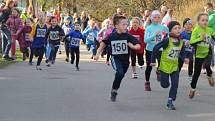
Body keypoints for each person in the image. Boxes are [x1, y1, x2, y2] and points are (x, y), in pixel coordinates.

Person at [95, 15, 141, 102]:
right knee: (119, 72)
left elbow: (138, 44)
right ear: (116, 26)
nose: (125, 26)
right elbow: (103, 44)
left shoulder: (128, 36)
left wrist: (134, 47)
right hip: (115, 59)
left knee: (120, 75)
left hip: (126, 61)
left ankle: (114, 89)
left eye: (126, 24)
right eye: (123, 24)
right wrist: (97, 53)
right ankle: (114, 91)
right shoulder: (112, 36)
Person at [151, 21, 188, 110]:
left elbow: (182, 53)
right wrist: (153, 60)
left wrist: (185, 58)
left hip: (174, 66)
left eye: (179, 28)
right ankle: (159, 73)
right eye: (175, 28)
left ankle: (170, 101)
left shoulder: (181, 42)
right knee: (165, 85)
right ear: (170, 31)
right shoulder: (167, 40)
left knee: (175, 84)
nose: (178, 30)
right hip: (165, 66)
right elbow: (155, 48)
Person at [189, 13, 215, 99]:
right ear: (198, 21)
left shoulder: (209, 30)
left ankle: (209, 75)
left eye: (206, 20)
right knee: (196, 73)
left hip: (207, 52)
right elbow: (192, 42)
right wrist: (200, 39)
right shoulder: (196, 30)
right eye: (203, 20)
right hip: (198, 54)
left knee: (207, 65)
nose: (205, 22)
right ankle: (192, 89)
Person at [144, 10, 169, 91]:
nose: (157, 19)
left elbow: (168, 34)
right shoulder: (149, 28)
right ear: (151, 18)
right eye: (155, 17)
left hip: (160, 49)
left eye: (158, 17)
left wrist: (166, 37)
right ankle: (147, 82)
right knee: (149, 67)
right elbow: (146, 40)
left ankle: (158, 71)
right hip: (150, 50)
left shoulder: (163, 27)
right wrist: (154, 35)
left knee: (161, 63)